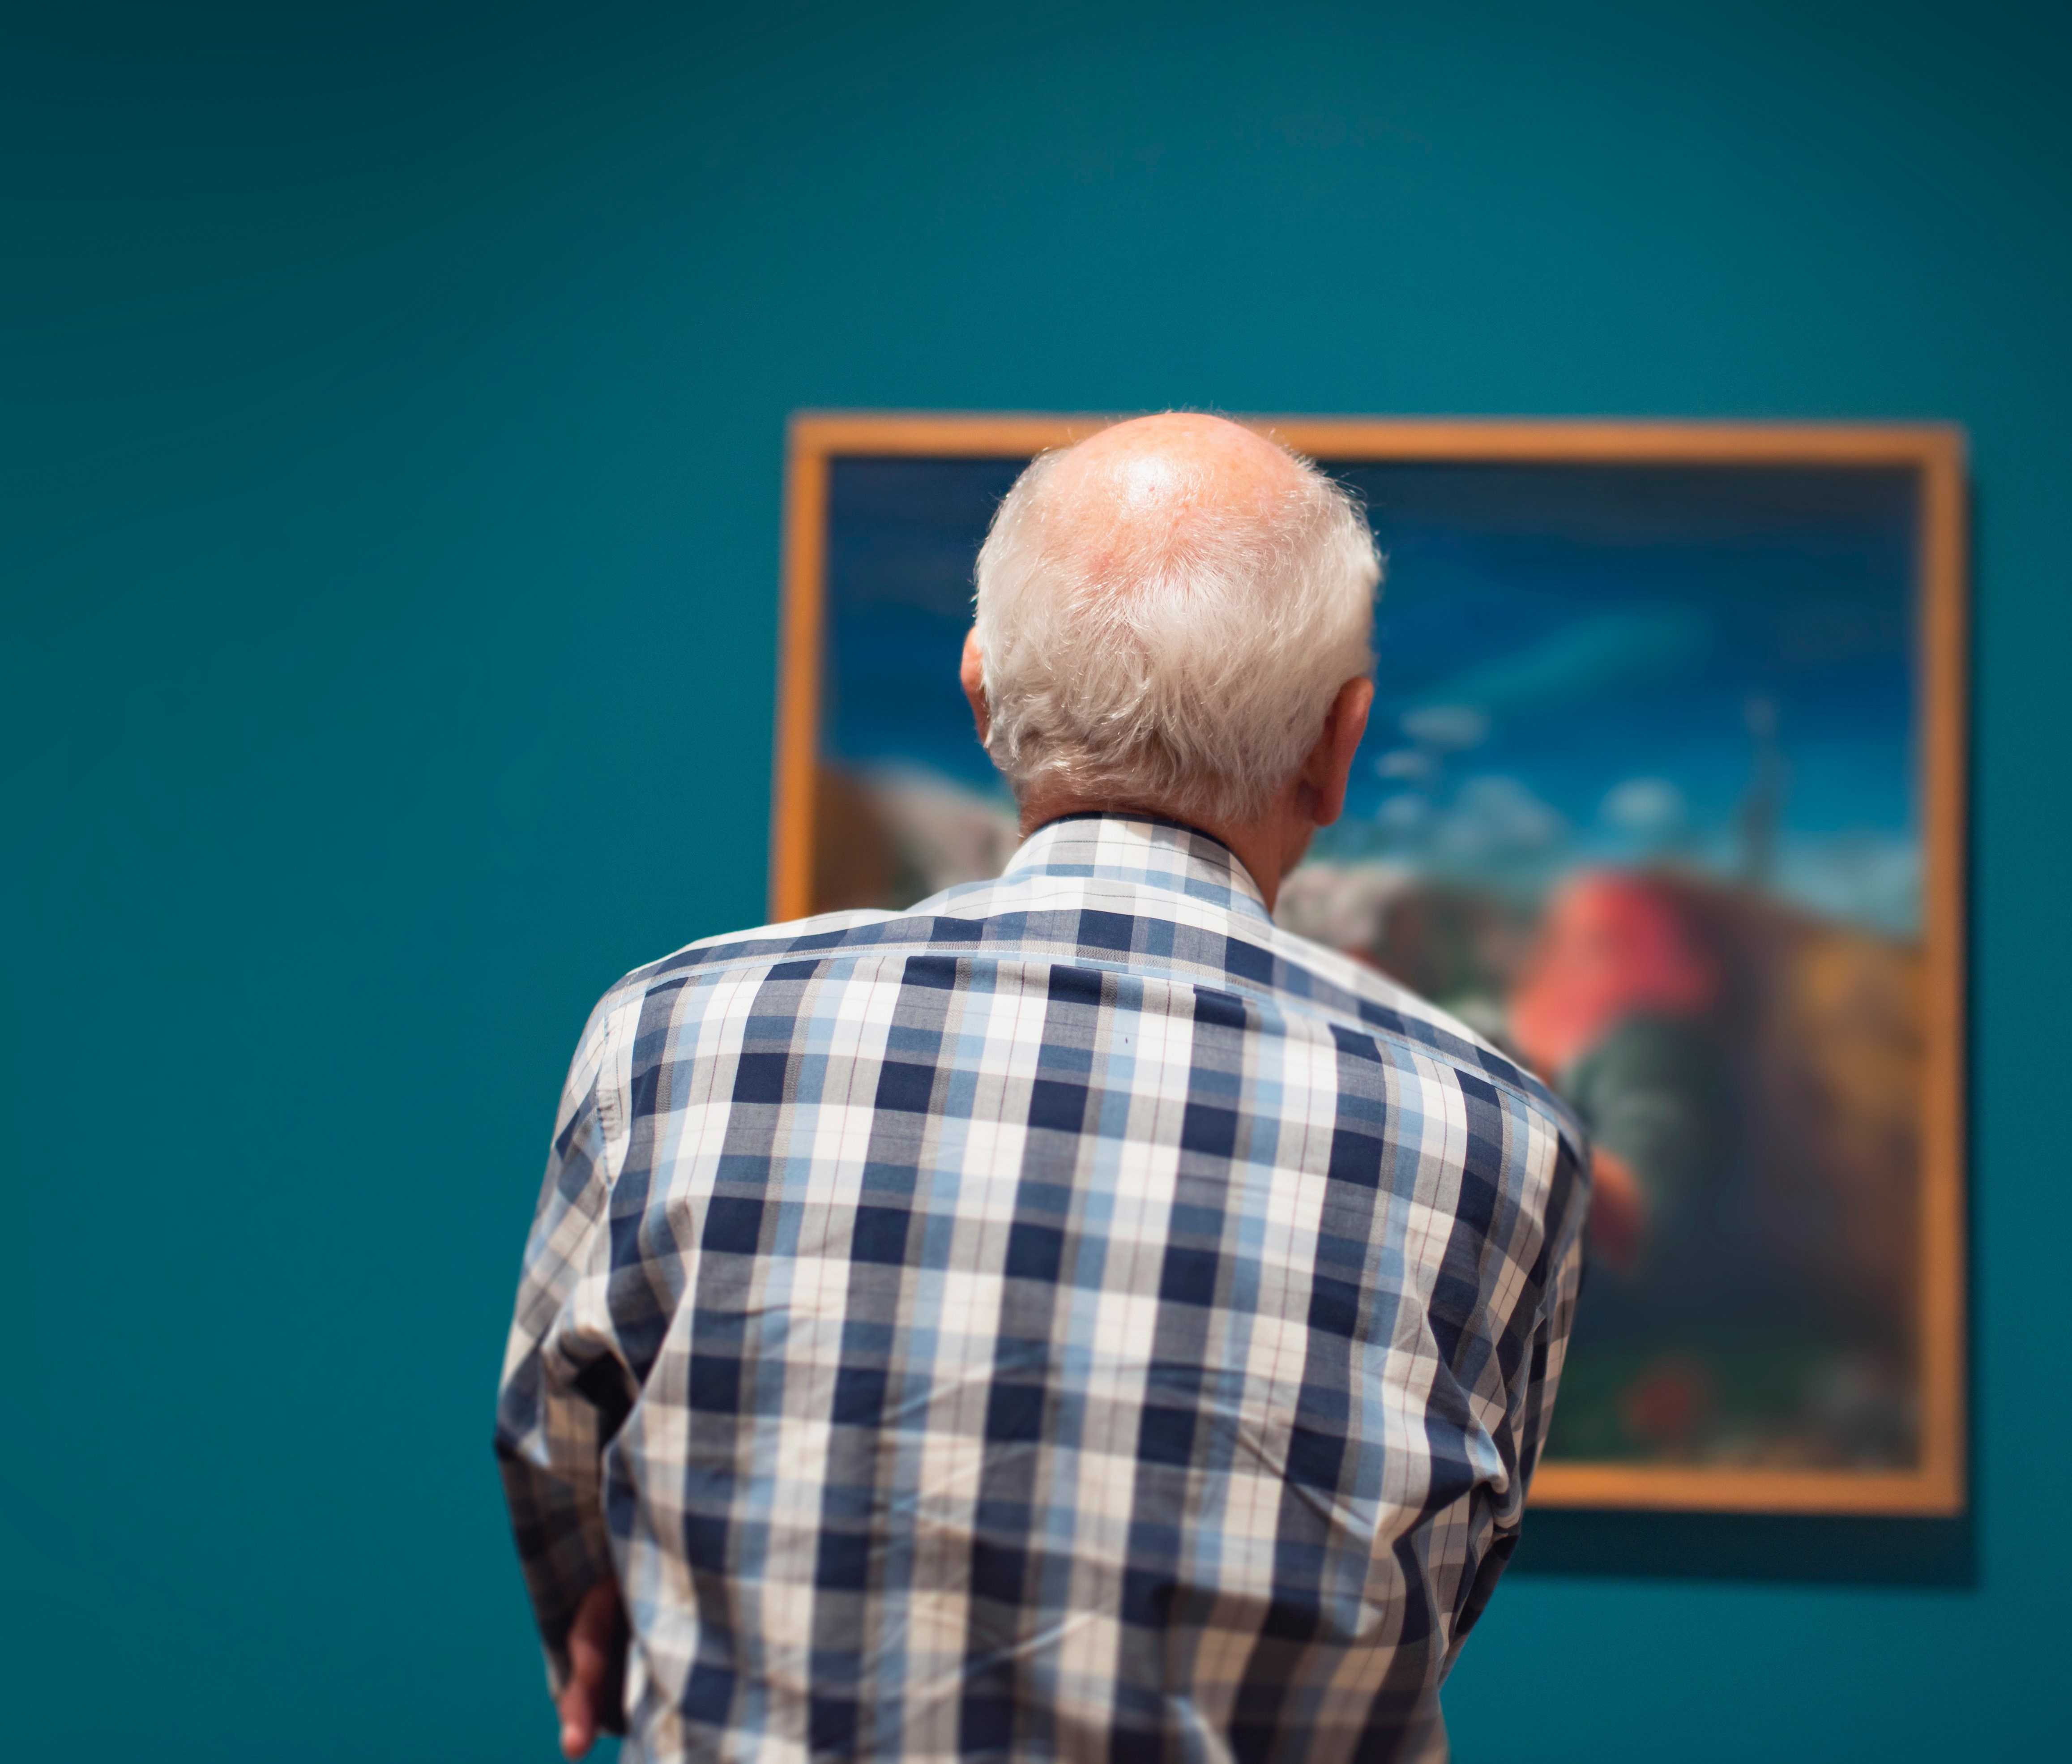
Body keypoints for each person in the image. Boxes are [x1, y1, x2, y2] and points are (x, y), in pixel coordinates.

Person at [495, 414, 1591, 1763]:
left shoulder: (673, 1032)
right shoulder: (1499, 1135)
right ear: (1337, 744)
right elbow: (1437, 1590)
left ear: (980, 694)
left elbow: (566, 1485)